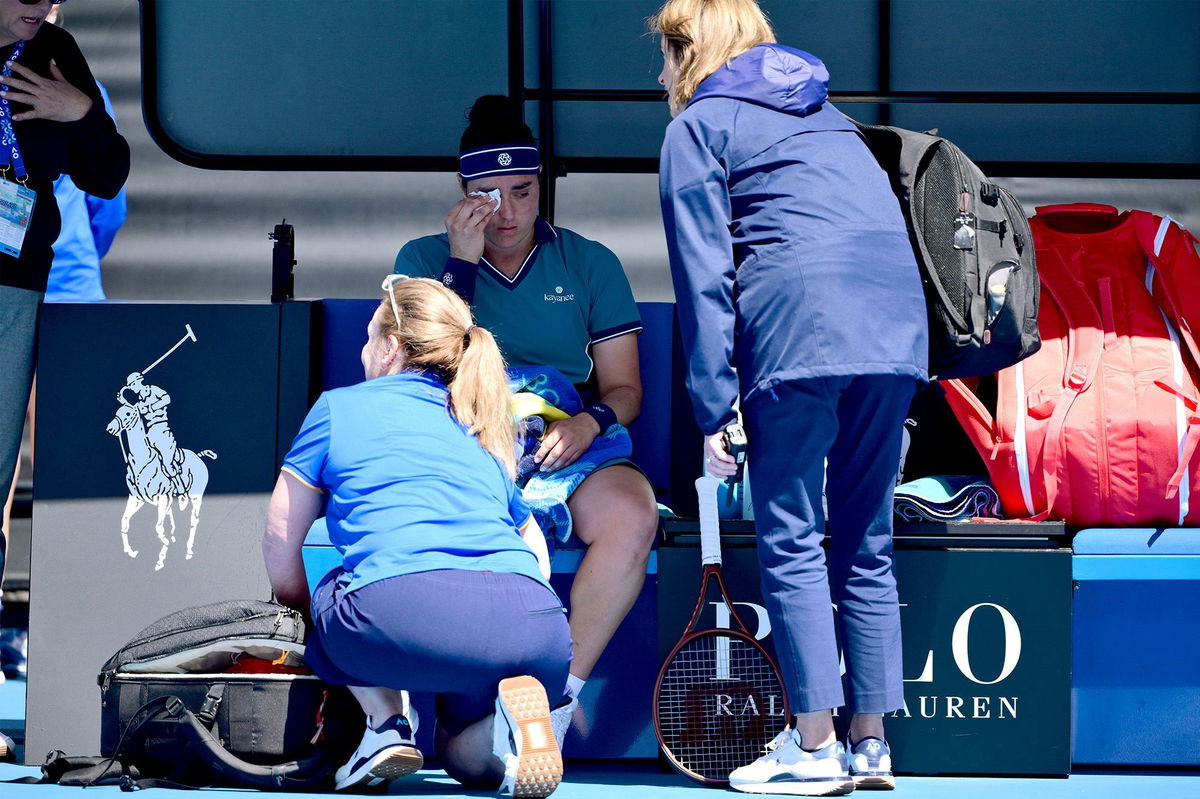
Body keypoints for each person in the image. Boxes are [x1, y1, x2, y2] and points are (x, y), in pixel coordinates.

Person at [651, 0, 928, 794]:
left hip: (802, 329)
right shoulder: (830, 118)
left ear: (688, 50)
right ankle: (871, 745)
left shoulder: (696, 129)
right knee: (866, 537)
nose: (659, 78)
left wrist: (713, 408)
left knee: (792, 534)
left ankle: (815, 746)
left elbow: (704, 279)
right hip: (896, 332)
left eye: (664, 59)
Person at [394, 95, 659, 739]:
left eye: (521, 191)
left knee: (631, 511)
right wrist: (461, 262)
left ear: (541, 188)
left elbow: (625, 388)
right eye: (487, 193)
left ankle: (558, 701)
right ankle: (437, 717)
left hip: (562, 439)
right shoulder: (425, 261)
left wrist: (588, 422)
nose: (506, 212)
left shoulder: (589, 262)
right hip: (460, 436)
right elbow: (424, 367)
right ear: (463, 193)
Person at [263, 276, 570, 796]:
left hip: (395, 616)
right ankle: (507, 732)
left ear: (391, 347)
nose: (362, 352)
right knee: (460, 758)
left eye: (367, 339)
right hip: (535, 632)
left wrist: (300, 617)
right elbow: (533, 546)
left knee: (336, 583)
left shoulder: (339, 407)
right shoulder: (480, 427)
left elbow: (279, 536)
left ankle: (386, 726)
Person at [0, 0, 129, 716]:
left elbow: (107, 185)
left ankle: (61, 654)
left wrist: (80, 110)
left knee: (39, 476)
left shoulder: (57, 52)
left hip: (26, 283)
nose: (39, 8)